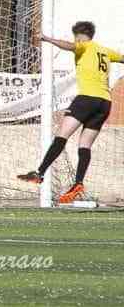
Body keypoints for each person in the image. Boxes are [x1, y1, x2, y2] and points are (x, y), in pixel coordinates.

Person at [18, 21, 122, 203]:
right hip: (105, 102)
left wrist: (47, 38)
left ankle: (39, 173)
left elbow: (70, 46)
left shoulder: (84, 46)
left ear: (79, 36)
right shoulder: (105, 51)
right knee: (85, 145)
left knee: (62, 136)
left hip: (86, 99)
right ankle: (78, 183)